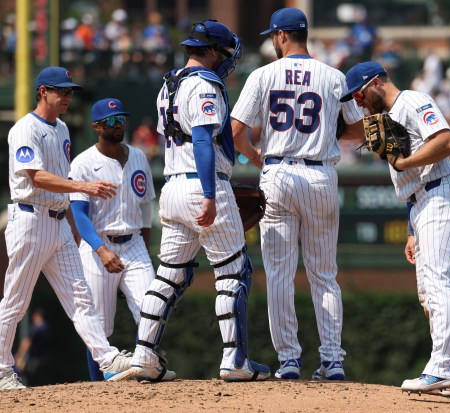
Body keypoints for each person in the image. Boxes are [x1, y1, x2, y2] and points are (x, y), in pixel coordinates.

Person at [108, 19, 270, 383]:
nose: (227, 59)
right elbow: (201, 139)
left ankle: (144, 355)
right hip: (202, 185)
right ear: (212, 51)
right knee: (234, 272)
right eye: (224, 53)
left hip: (173, 187)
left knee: (169, 276)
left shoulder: (170, 84)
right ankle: (235, 361)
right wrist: (212, 195)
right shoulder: (203, 84)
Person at [231, 8, 364, 381]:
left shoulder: (263, 74)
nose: (274, 41)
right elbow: (358, 131)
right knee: (324, 275)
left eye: (274, 36)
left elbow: (236, 129)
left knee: (279, 274)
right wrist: (324, 133)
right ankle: (333, 360)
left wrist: (255, 157)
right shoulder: (334, 76)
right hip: (321, 175)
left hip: (277, 172)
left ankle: (289, 360)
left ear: (282, 36)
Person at [341, 61, 450, 396]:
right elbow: (411, 182)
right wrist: (412, 228)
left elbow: (446, 141)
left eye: (358, 95)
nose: (358, 102)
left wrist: (404, 162)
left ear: (375, 84)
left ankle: (442, 367)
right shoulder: (387, 115)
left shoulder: (412, 101)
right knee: (428, 294)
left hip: (441, 195)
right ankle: (446, 374)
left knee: (439, 284)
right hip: (422, 202)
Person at [0, 66, 133, 390]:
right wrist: (85, 187)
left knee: (81, 297)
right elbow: (37, 176)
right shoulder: (24, 129)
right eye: (62, 91)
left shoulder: (60, 128)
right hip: (30, 220)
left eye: (70, 92)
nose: (67, 97)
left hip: (58, 222)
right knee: (15, 303)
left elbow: (61, 181)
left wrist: (73, 221)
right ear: (43, 91)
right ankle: (3, 371)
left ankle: (107, 360)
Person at [69, 98, 157, 381]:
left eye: (120, 119)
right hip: (98, 246)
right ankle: (99, 389)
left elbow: (145, 211)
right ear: (96, 126)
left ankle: (145, 371)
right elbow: (79, 216)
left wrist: (145, 248)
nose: (117, 125)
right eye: (109, 121)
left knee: (151, 311)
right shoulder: (83, 163)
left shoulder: (139, 156)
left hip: (134, 244)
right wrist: (101, 249)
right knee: (99, 327)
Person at [14, 308, 52, 386]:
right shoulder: (47, 328)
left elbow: (27, 342)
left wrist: (19, 355)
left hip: (34, 359)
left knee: (29, 379)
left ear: (38, 316)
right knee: (42, 381)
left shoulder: (35, 328)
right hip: (45, 358)